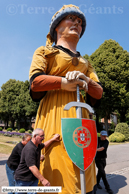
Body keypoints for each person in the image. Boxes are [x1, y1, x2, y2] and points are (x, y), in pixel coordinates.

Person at [29, 4, 103, 194]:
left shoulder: (87, 63)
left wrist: (86, 80)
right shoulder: (45, 52)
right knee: (56, 156)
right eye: (71, 19)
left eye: (80, 22)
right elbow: (35, 83)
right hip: (54, 112)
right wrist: (62, 82)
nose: (76, 24)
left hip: (81, 116)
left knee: (82, 158)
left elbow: (99, 92)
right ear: (56, 26)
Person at [14, 128, 60, 193]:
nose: (43, 138)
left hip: (33, 178)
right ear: (35, 136)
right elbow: (32, 167)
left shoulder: (37, 145)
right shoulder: (30, 148)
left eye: (44, 136)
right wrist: (43, 180)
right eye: (41, 136)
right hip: (23, 179)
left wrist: (53, 139)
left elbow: (44, 145)